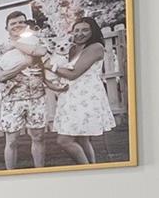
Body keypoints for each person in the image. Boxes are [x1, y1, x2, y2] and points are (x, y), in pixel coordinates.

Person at [0, 9, 55, 170]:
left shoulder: (36, 41)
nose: (18, 25)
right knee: (11, 141)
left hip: (36, 97)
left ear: (26, 24)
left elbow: (41, 52)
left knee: (38, 137)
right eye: (13, 23)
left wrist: (16, 44)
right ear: (7, 28)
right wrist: (25, 63)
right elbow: (1, 76)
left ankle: (40, 172)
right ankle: (10, 174)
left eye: (21, 22)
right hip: (12, 100)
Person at [44, 16, 114, 165]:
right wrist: (51, 83)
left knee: (64, 140)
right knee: (82, 139)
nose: (80, 33)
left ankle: (85, 169)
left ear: (93, 31)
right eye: (76, 30)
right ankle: (92, 169)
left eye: (85, 30)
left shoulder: (96, 47)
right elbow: (62, 71)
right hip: (70, 96)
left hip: (86, 97)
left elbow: (73, 73)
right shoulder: (72, 48)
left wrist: (50, 66)